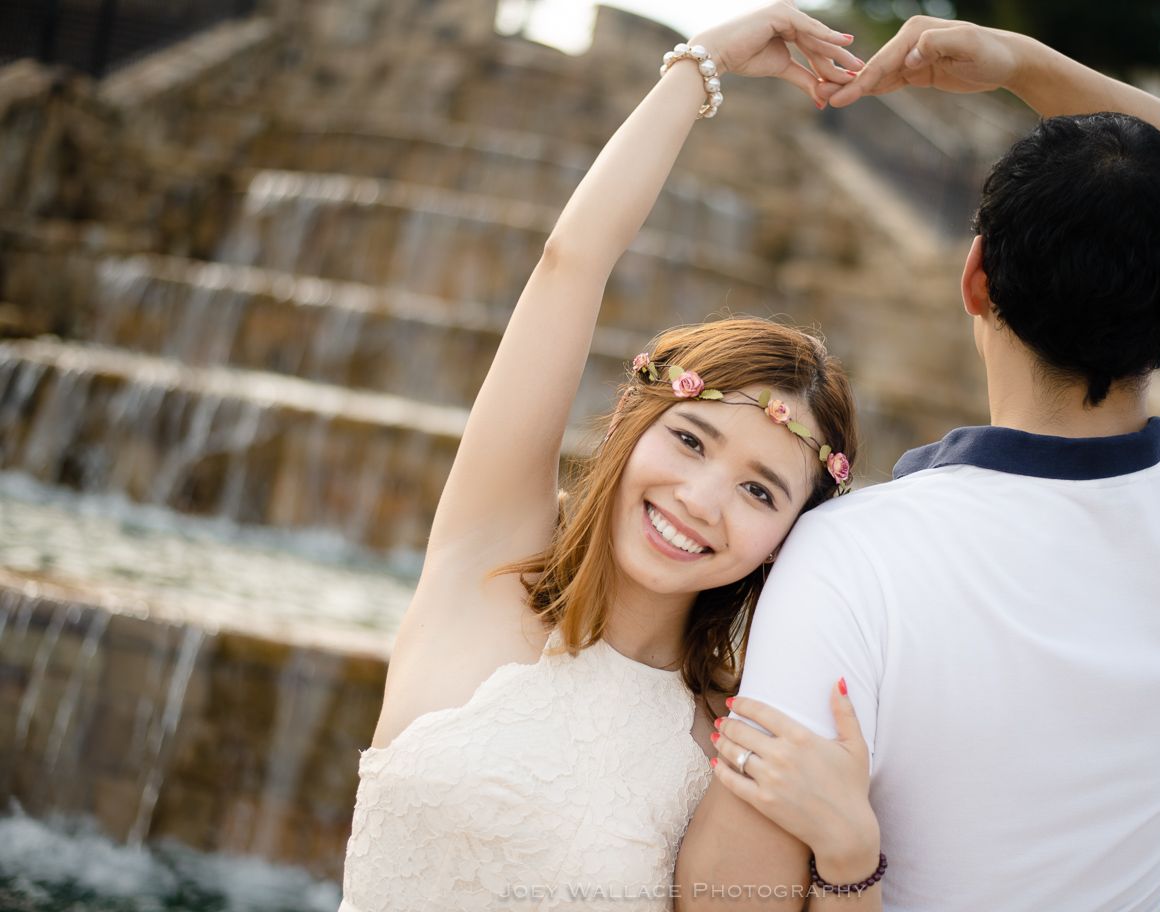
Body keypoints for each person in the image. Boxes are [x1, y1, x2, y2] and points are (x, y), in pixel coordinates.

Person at [677, 14, 1160, 912]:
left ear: (975, 276)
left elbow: (731, 897)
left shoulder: (850, 557)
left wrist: (1018, 64)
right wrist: (1026, 64)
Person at [337, 4, 874, 910]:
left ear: (792, 533)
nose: (700, 498)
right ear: (633, 419)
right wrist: (699, 65)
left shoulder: (738, 741)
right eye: (691, 440)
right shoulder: (486, 562)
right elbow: (570, 262)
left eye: (759, 490)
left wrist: (852, 854)